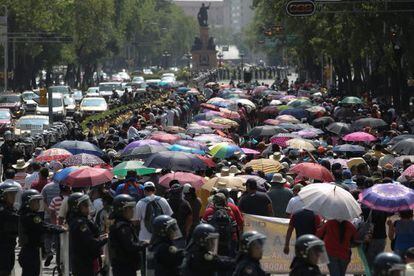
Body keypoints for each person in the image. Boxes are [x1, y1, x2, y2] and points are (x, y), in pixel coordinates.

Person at [18, 189, 65, 276]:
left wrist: (59, 227)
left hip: (31, 252)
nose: (38, 204)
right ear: (28, 203)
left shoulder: (30, 215)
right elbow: (45, 227)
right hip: (29, 253)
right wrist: (61, 229)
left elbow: (44, 224)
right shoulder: (29, 217)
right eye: (35, 201)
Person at [67, 192, 108, 276]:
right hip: (83, 263)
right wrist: (105, 238)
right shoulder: (80, 223)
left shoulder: (82, 220)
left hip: (85, 261)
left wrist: (101, 237)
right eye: (85, 205)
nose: (88, 208)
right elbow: (91, 243)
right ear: (76, 207)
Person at [109, 194, 144, 276]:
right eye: (130, 208)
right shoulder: (122, 227)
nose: (132, 211)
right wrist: (144, 244)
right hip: (124, 267)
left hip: (125, 266)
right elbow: (130, 246)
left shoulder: (122, 224)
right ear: (121, 209)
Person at [0, 183, 19, 276]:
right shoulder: (2, 210)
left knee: (8, 269)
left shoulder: (12, 208)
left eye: (14, 194)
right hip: (3, 246)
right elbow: (16, 218)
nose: (13, 197)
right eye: (10, 194)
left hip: (10, 245)